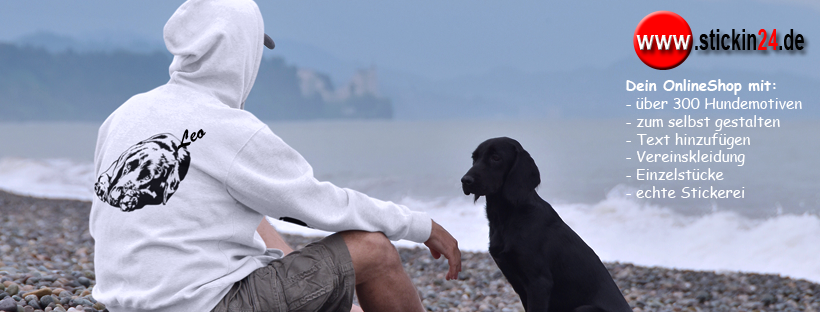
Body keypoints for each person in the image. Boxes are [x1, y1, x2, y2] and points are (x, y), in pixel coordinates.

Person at [88, 0, 461, 311]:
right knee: (375, 250)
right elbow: (322, 205)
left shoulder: (124, 114)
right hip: (206, 304)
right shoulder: (230, 128)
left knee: (253, 212)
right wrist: (420, 226)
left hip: (124, 302)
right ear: (238, 53)